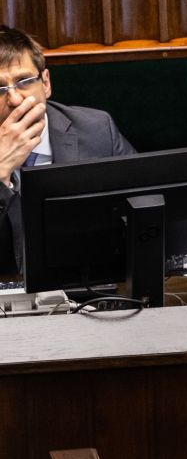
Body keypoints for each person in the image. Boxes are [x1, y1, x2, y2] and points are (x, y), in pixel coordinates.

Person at [0, 26, 136, 274]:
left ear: (46, 83)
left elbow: (145, 208)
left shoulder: (96, 130)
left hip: (86, 283)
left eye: (24, 81)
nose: (15, 99)